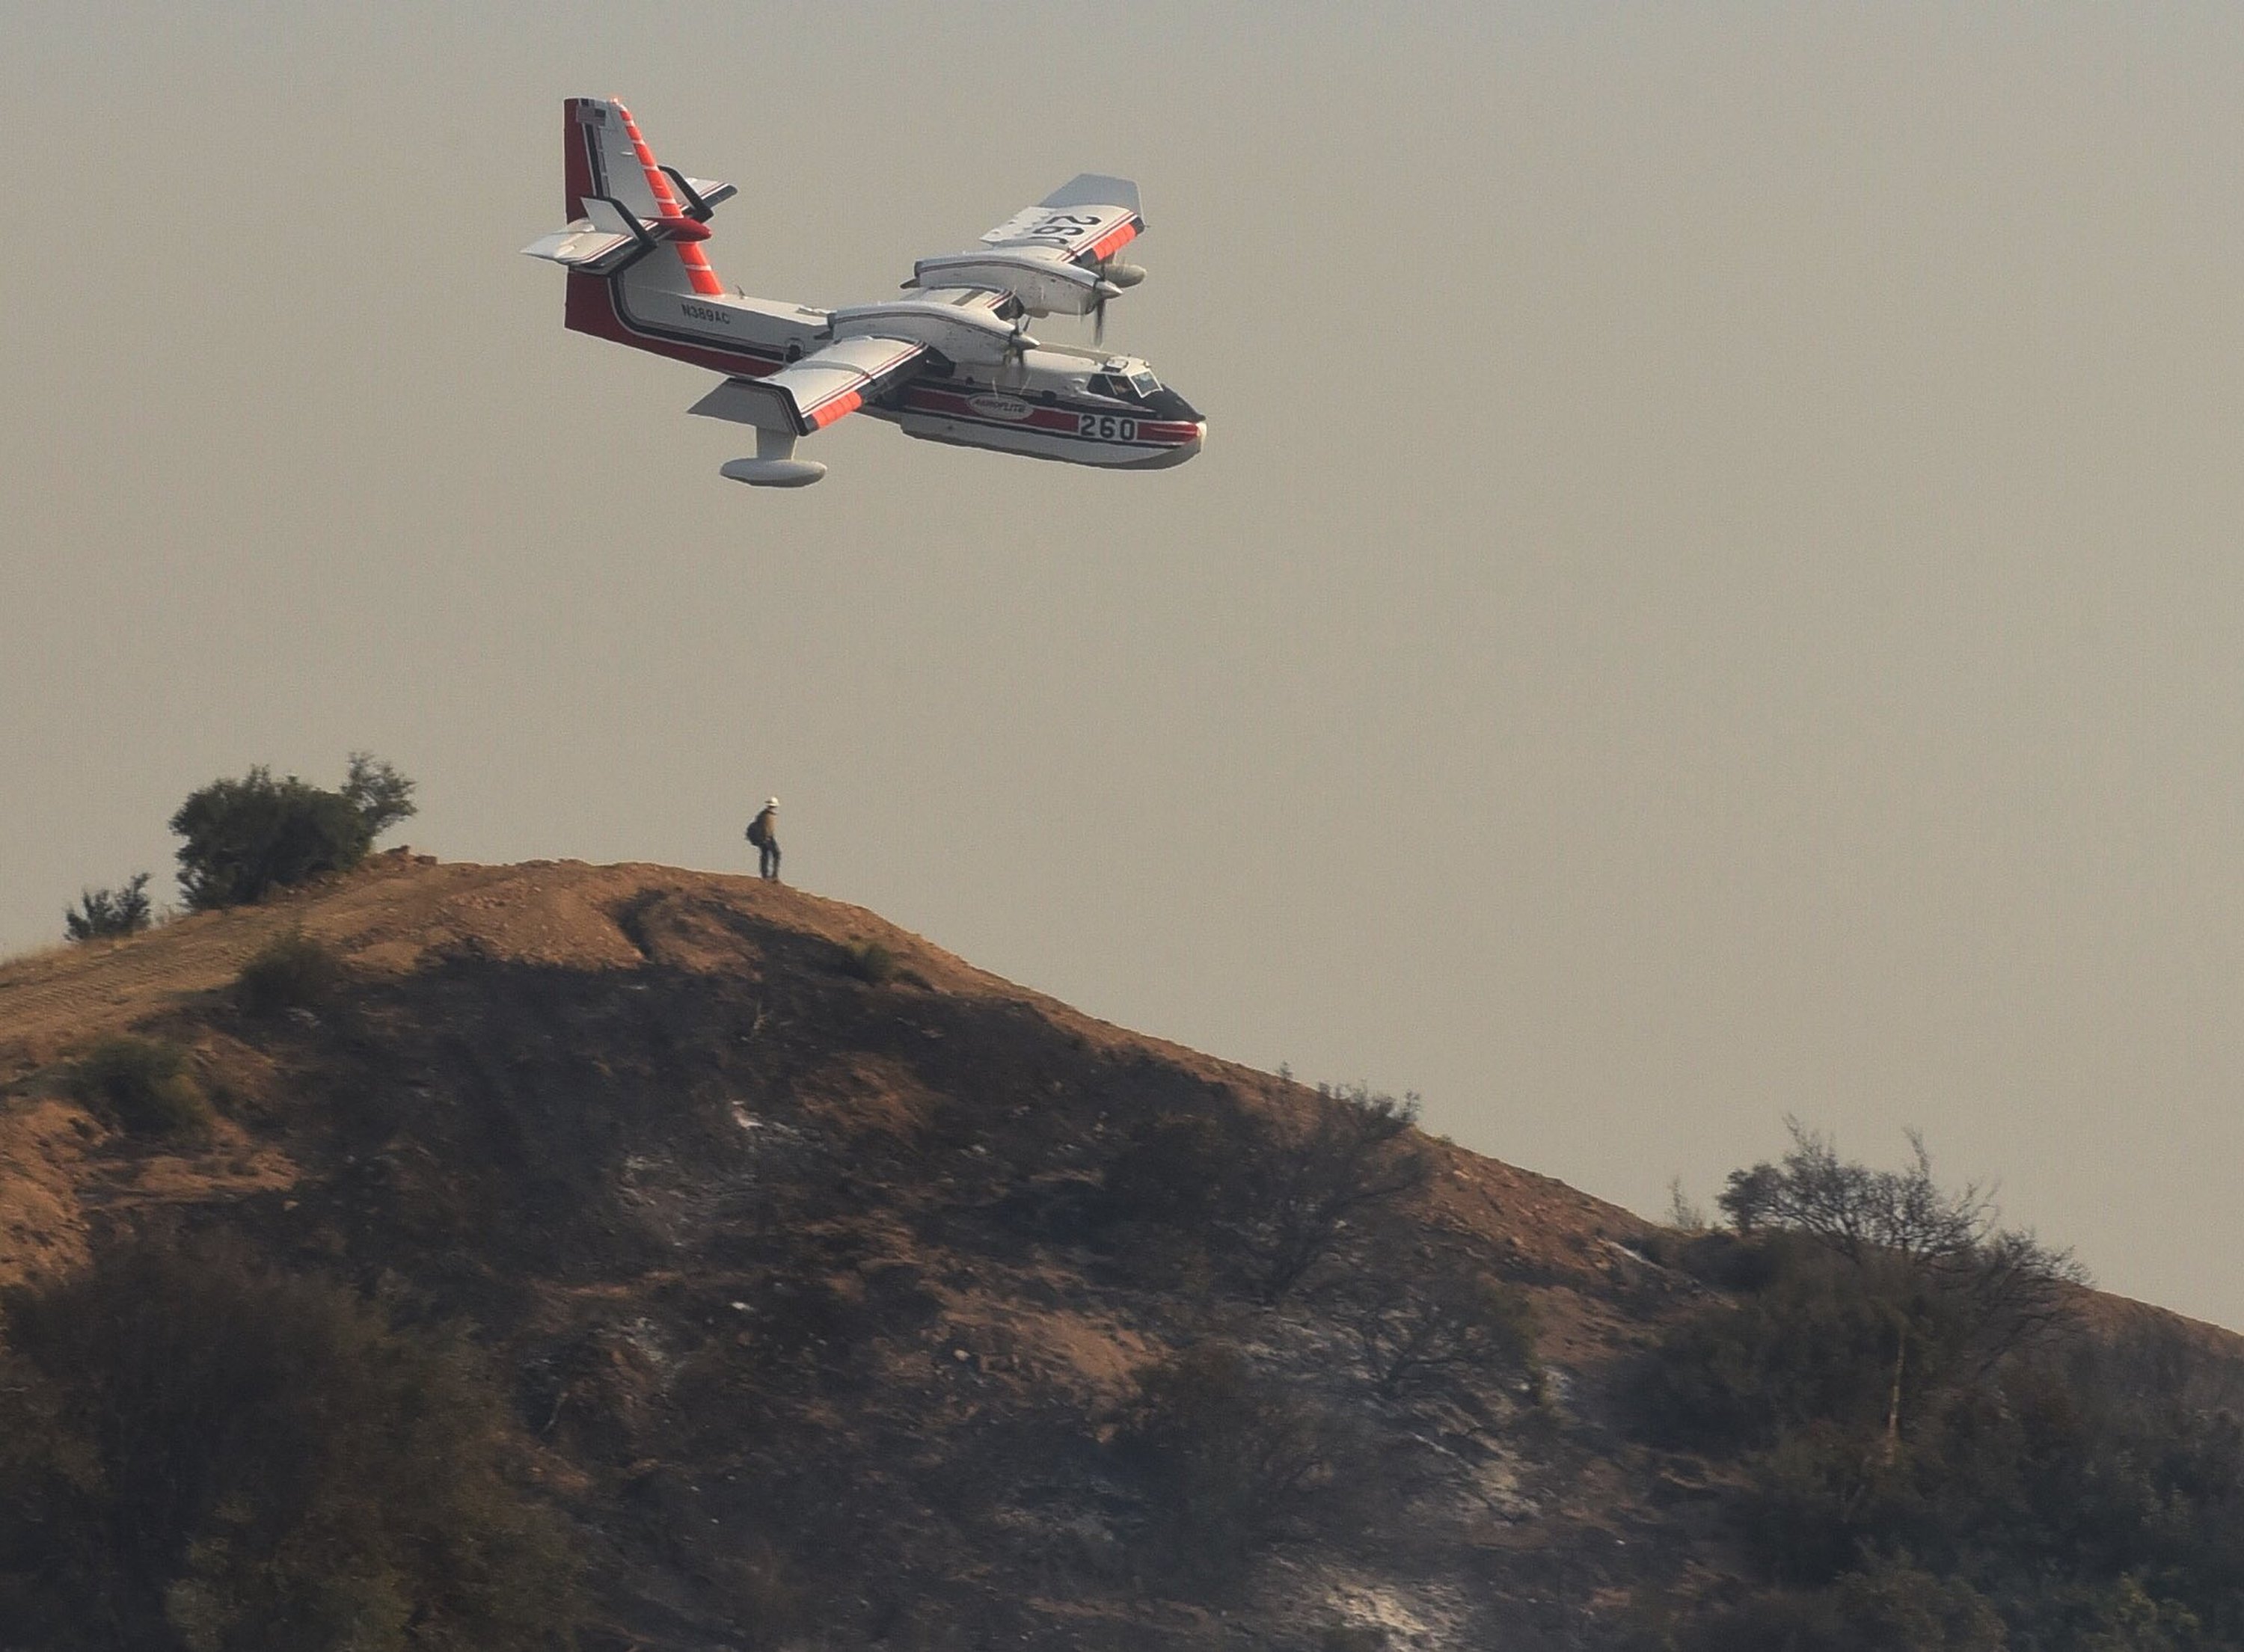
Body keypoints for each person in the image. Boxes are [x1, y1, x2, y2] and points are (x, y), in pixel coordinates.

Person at [746, 796, 781, 882]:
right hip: (767, 838)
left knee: (766, 855)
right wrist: (767, 838)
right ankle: (772, 875)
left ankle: (767, 875)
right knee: (774, 854)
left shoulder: (763, 815)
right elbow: (767, 829)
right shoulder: (766, 815)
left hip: (765, 838)